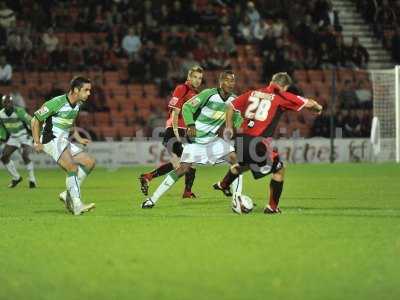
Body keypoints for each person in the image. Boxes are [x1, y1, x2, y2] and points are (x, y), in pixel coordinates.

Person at [214, 72, 323, 214]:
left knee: (244, 165)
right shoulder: (281, 95)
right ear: (284, 86)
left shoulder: (254, 93)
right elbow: (311, 104)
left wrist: (228, 127)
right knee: (279, 169)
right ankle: (272, 207)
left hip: (240, 140)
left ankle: (223, 184)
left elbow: (231, 106)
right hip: (257, 142)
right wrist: (319, 109)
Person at [141, 70, 243, 208]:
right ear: (221, 82)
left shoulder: (234, 100)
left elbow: (237, 117)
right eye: (228, 80)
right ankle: (151, 200)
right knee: (182, 169)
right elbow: (187, 107)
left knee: (236, 161)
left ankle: (237, 200)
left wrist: (234, 127)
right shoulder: (209, 94)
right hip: (196, 140)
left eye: (233, 81)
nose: (231, 84)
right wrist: (190, 124)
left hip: (212, 140)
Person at [31, 76, 96, 216]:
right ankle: (77, 205)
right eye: (86, 90)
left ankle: (67, 194)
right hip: (50, 139)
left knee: (90, 162)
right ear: (76, 90)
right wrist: (37, 142)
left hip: (63, 141)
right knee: (72, 166)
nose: (89, 93)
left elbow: (71, 122)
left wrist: (78, 138)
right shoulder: (56, 102)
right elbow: (35, 120)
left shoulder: (77, 104)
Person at [139, 66, 204, 198]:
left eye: (200, 78)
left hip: (185, 131)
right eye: (195, 77)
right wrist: (175, 132)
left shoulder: (196, 95)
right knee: (184, 163)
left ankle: (150, 177)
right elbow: (175, 111)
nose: (197, 80)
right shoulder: (182, 88)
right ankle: (150, 178)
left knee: (187, 163)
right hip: (175, 131)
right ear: (189, 77)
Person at [0, 95, 37, 188]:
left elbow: (31, 121)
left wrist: (36, 135)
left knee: (25, 155)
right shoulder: (1, 114)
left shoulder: (19, 111)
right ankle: (16, 177)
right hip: (13, 137)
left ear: (12, 103)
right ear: (2, 103)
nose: (7, 104)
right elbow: (1, 128)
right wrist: (2, 138)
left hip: (24, 136)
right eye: (5, 102)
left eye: (9, 102)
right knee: (4, 157)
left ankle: (32, 180)